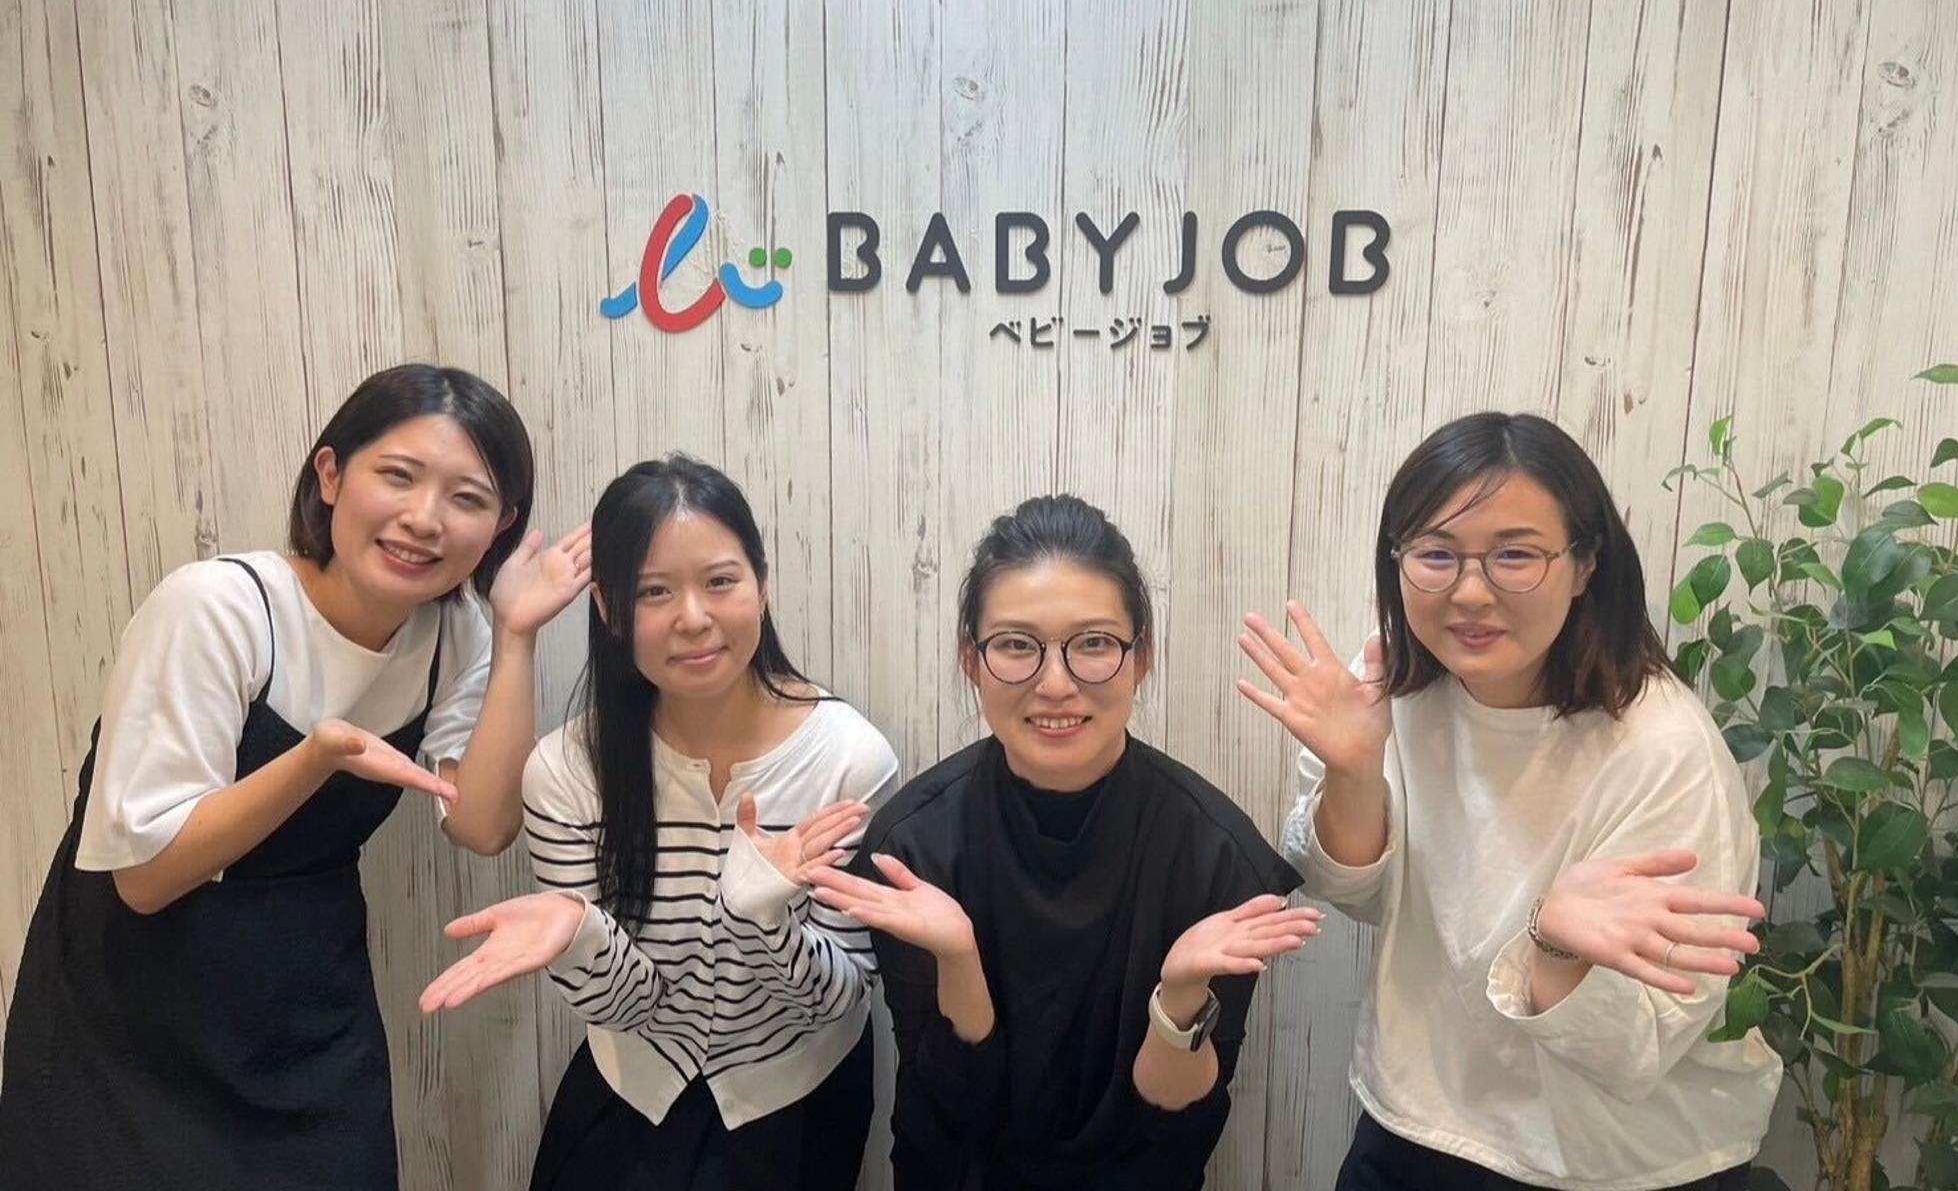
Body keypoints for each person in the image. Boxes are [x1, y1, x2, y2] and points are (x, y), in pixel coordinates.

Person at [0, 363, 592, 1190]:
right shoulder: (220, 608)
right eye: (399, 476)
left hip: (305, 999)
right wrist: (314, 759)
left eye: (468, 498)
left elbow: (484, 825)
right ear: (331, 475)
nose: (425, 519)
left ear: (502, 525)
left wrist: (517, 634)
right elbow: (144, 879)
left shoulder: (455, 633)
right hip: (131, 1008)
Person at [1237, 411, 1780, 1191]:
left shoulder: (1664, 752)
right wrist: (1353, 771)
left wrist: (1554, 945)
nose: (1470, 592)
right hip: (1420, 1118)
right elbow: (1354, 894)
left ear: (1585, 565)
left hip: (1613, 1161)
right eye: (1436, 554)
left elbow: (1633, 1053)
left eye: (1515, 556)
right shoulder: (1393, 687)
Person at [418, 454, 897, 1191]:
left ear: (763, 585)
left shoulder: (847, 759)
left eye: (721, 582)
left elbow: (837, 1000)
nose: (693, 618)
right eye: (653, 592)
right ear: (608, 609)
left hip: (797, 1097)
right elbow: (629, 1005)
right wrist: (577, 932)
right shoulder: (567, 771)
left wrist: (762, 916)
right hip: (630, 1086)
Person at [813, 494, 1318, 1190]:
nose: (1056, 684)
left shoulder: (1215, 854)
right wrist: (959, 957)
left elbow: (1176, 1127)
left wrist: (1179, 999)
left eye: (1094, 644)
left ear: (1142, 658)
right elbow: (954, 1108)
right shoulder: (913, 845)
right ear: (971, 660)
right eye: (1016, 645)